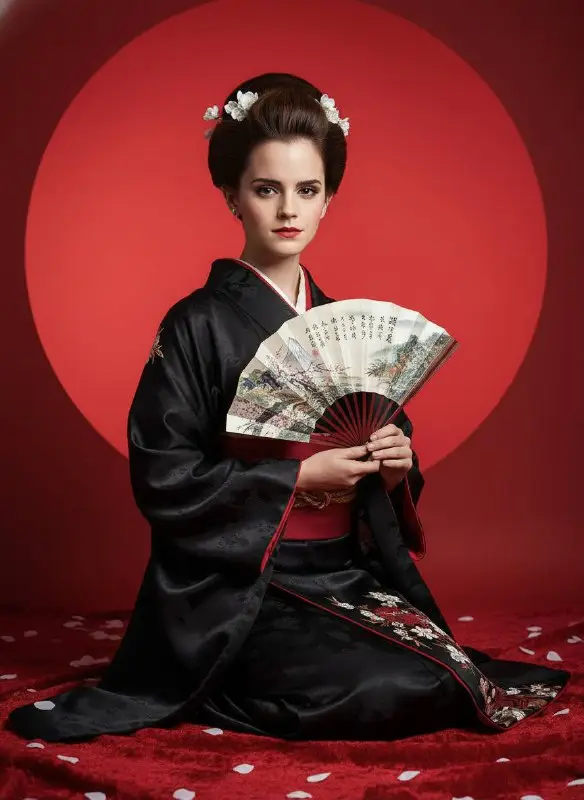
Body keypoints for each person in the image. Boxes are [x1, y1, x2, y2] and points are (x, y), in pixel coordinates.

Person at [7, 72, 569, 744]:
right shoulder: (195, 326)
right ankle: (214, 687)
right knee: (386, 688)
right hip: (244, 588)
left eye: (307, 190)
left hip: (343, 573)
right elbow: (162, 474)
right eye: (266, 189)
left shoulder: (339, 324)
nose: (288, 210)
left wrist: (392, 465)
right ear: (231, 196)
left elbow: (384, 468)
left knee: (445, 679)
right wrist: (298, 480)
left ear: (329, 198)